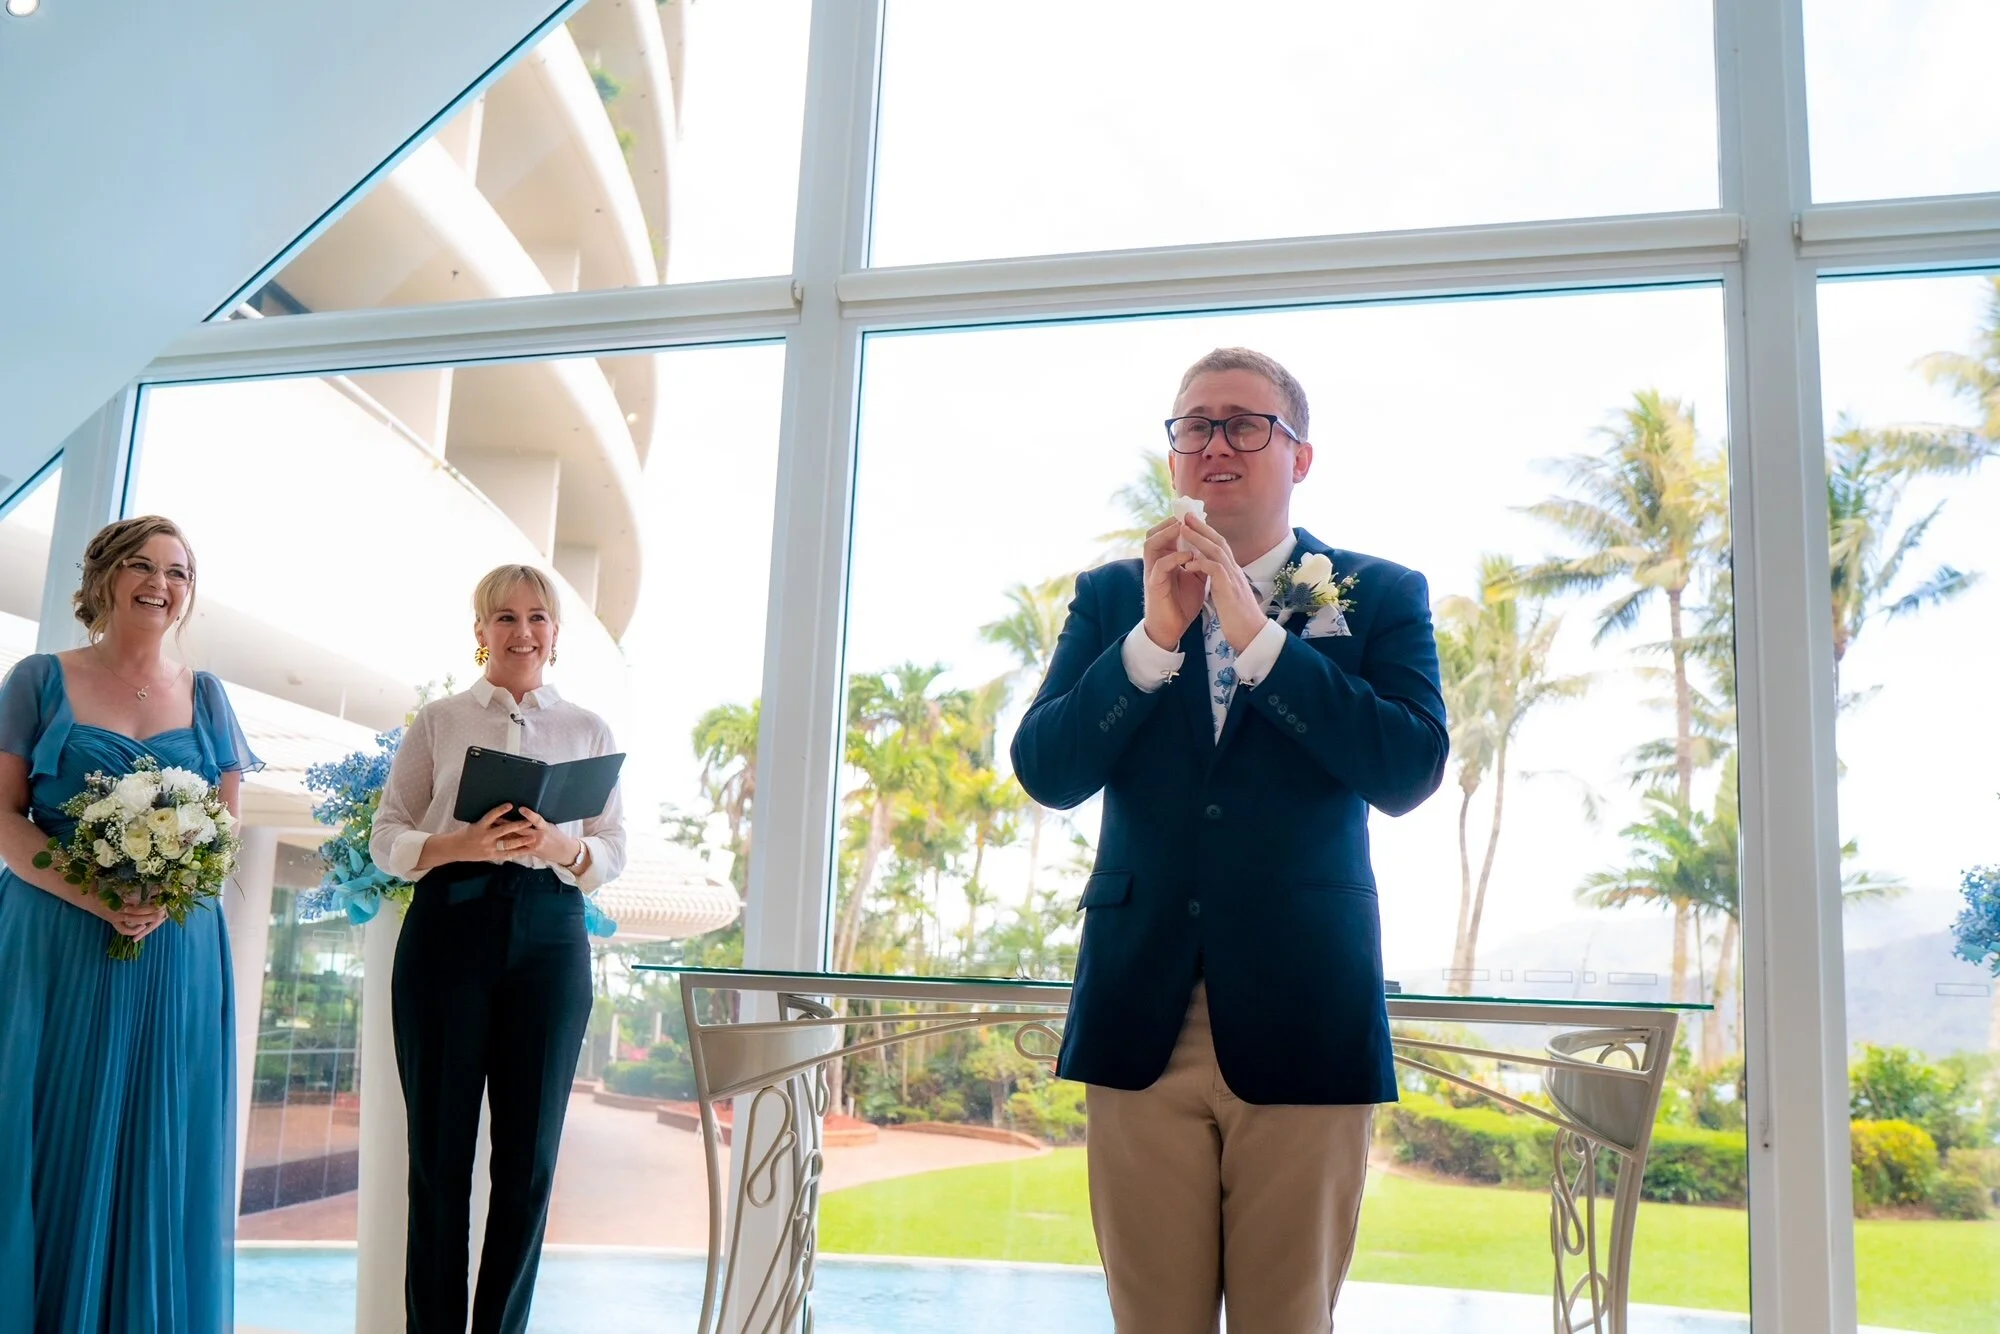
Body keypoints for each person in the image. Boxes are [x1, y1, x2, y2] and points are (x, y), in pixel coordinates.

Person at [1011, 348, 1449, 1333]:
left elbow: (1408, 768)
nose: (1215, 441)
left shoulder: (1379, 593)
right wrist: (1150, 644)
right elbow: (1046, 767)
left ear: (1298, 457)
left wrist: (1260, 638)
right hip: (1138, 1011)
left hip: (1305, 1010)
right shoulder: (1107, 595)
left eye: (1245, 423)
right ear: (1173, 457)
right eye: (1193, 424)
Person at [0, 515, 259, 1334]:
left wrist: (171, 889)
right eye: (142, 566)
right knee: (49, 1128)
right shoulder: (38, 678)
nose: (161, 582)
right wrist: (97, 897)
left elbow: (224, 835)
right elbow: (3, 817)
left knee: (162, 1143)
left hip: (176, 951)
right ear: (105, 577)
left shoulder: (208, 695)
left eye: (178, 571)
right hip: (56, 939)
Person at [372, 563, 626, 1334]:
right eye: (505, 618)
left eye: (537, 618)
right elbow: (387, 837)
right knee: (440, 1164)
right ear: (479, 630)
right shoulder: (441, 721)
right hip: (450, 927)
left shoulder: (588, 729)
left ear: (556, 634)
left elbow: (612, 850)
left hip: (550, 938)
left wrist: (559, 845)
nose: (522, 633)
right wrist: (457, 844)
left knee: (528, 1167)